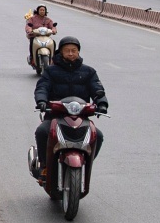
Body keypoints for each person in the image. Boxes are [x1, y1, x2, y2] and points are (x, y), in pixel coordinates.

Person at [30, 35, 108, 183]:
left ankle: (86, 162)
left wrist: (102, 103)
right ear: (61, 52)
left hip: (81, 117)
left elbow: (98, 90)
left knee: (98, 135)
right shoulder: (51, 71)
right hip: (55, 115)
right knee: (42, 132)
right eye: (67, 51)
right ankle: (45, 167)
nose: (71, 53)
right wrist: (41, 101)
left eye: (74, 50)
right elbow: (42, 88)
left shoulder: (89, 72)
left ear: (78, 52)